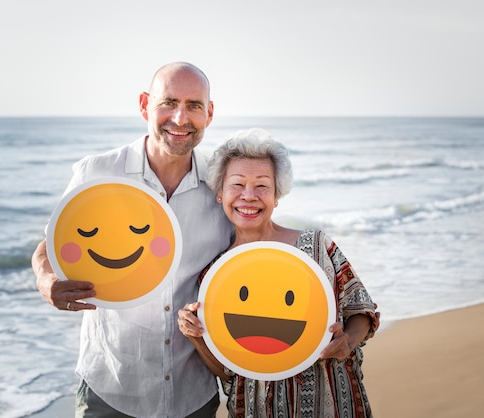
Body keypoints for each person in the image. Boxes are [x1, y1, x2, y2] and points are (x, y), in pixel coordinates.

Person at [31, 62, 234, 417]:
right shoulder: (98, 173)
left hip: (194, 394)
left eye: (194, 105)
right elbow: (48, 247)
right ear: (144, 105)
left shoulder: (222, 185)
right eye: (168, 102)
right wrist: (46, 281)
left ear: (210, 113)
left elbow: (250, 256)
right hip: (111, 387)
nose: (180, 118)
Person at [177, 128, 379, 418]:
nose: (249, 196)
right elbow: (227, 370)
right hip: (258, 409)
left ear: (276, 195)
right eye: (238, 184)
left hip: (333, 402)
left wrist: (348, 340)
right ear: (220, 193)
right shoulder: (214, 274)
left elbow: (362, 311)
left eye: (262, 186)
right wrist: (194, 334)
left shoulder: (316, 247)